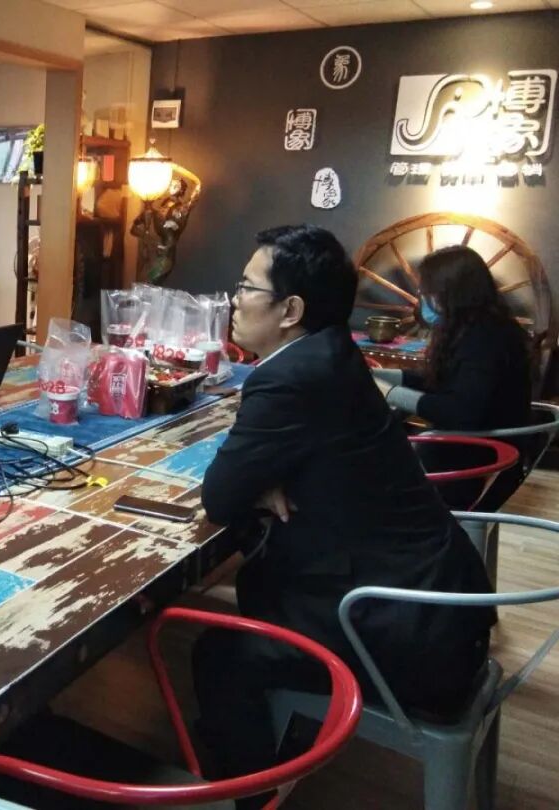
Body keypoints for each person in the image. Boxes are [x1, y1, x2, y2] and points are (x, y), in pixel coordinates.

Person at [195, 225, 494, 809]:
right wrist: (268, 481)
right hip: (445, 605)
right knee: (254, 585)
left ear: (290, 310)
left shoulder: (287, 378)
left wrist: (258, 484)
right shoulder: (333, 353)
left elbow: (219, 498)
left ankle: (254, 796)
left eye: (247, 287)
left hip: (409, 635)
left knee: (218, 652)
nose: (234, 299)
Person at [372, 245, 532, 509]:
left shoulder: (485, 339)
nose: (422, 298)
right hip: (473, 445)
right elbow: (444, 384)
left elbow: (459, 411)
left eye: (428, 292)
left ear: (452, 293)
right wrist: (384, 376)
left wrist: (389, 393)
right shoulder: (477, 327)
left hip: (482, 458)